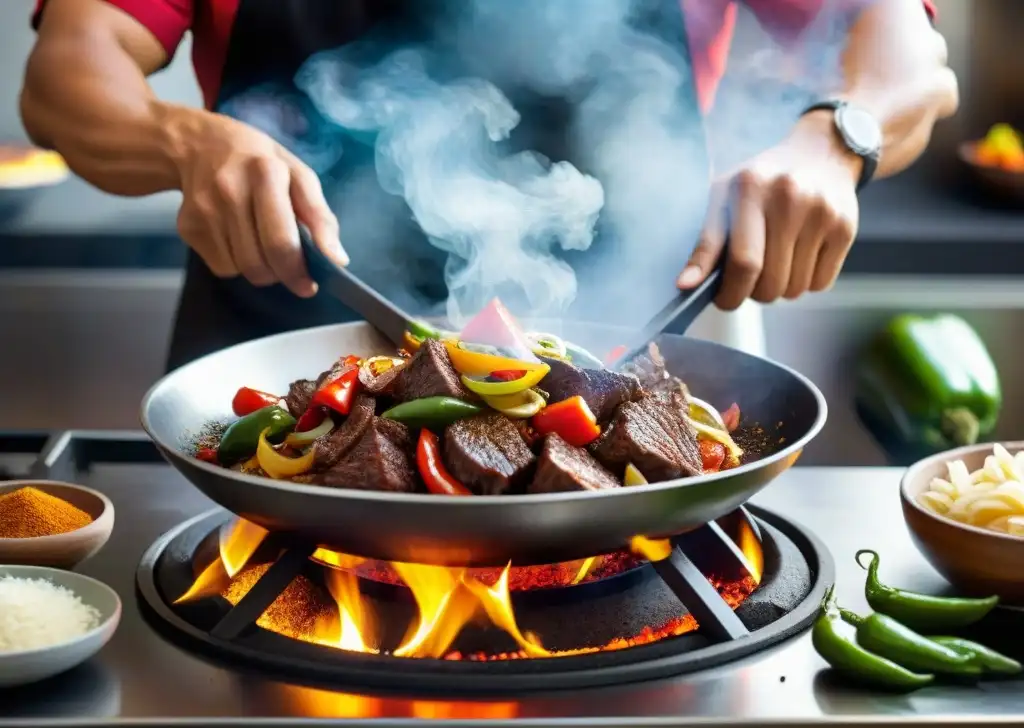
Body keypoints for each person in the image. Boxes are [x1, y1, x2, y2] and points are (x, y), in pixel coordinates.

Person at [21, 0, 957, 370]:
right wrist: (185, 142)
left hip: (635, 364)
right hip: (279, 379)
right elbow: (67, 73)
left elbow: (911, 59)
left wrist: (840, 135)